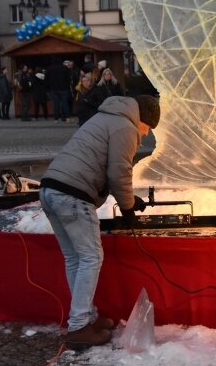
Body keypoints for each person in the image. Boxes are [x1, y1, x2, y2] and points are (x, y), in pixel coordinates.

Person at [39, 95, 160, 350]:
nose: (146, 134)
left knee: (76, 258)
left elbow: (104, 167)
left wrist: (130, 199)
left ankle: (86, 319)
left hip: (51, 190)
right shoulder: (126, 127)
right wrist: (127, 208)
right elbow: (118, 172)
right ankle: (80, 327)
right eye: (148, 128)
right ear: (143, 119)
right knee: (91, 258)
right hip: (73, 195)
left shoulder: (106, 117)